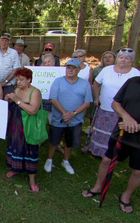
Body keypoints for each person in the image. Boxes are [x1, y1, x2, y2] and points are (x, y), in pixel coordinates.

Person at [82, 75, 140, 214]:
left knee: (138, 171)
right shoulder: (133, 82)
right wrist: (126, 117)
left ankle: (126, 196)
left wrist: (135, 125)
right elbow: (115, 103)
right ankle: (98, 187)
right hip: (121, 132)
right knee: (107, 160)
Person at [44, 58, 92, 174]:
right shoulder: (58, 81)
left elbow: (87, 102)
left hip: (75, 120)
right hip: (58, 118)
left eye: (73, 68)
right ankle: (49, 159)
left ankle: (65, 161)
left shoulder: (85, 84)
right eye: (68, 67)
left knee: (69, 142)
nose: (70, 70)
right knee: (54, 140)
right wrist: (65, 113)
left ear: (78, 70)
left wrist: (73, 113)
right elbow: (53, 99)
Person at [89, 48, 140, 157]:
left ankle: (112, 154)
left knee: (114, 134)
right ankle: (96, 150)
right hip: (104, 107)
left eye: (127, 58)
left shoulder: (136, 73)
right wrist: (97, 98)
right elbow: (96, 84)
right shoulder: (106, 70)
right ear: (117, 59)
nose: (123, 60)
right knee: (100, 131)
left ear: (131, 61)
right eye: (121, 57)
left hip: (123, 111)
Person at [5, 68, 42, 192]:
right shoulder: (16, 89)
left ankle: (32, 179)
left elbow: (33, 111)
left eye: (21, 80)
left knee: (29, 150)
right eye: (17, 80)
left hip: (29, 127)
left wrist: (17, 100)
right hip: (16, 125)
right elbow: (13, 105)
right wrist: (9, 99)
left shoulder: (35, 92)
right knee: (15, 146)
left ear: (29, 80)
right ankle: (15, 168)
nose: (18, 82)